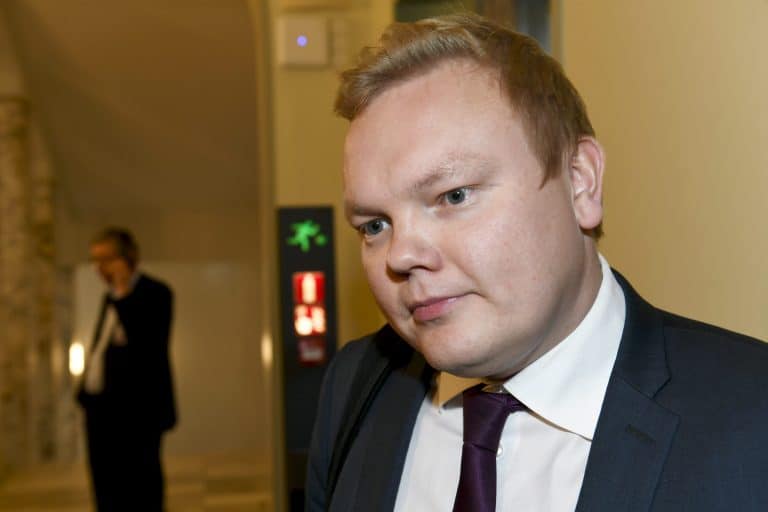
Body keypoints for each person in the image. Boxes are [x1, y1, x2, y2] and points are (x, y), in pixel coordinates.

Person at [306, 13, 768, 512]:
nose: (400, 254)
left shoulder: (752, 418)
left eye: (454, 195)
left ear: (580, 181)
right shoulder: (357, 384)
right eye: (375, 225)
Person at [76, 227, 176, 512]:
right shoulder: (109, 297)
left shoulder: (156, 293)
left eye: (106, 260)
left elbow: (149, 346)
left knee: (141, 483)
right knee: (105, 483)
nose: (100, 268)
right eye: (95, 261)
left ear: (126, 258)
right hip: (100, 407)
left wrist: (123, 294)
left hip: (138, 410)